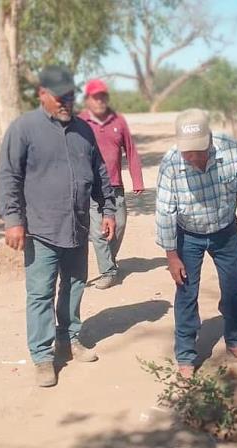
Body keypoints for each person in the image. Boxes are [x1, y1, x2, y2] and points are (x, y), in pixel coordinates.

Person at [0, 65, 117, 388]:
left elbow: (99, 172)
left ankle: (69, 337)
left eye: (70, 96)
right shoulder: (24, 129)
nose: (66, 102)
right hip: (41, 229)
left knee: (75, 285)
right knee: (40, 293)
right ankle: (42, 356)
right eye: (59, 97)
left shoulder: (83, 130)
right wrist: (12, 220)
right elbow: (8, 177)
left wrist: (108, 209)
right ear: (42, 95)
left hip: (76, 225)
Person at [155, 109, 237, 378]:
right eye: (186, 152)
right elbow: (165, 211)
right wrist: (171, 256)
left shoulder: (230, 151)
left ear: (210, 139)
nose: (191, 157)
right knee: (186, 292)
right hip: (187, 235)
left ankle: (236, 340)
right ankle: (186, 355)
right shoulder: (170, 164)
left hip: (225, 232)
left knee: (234, 287)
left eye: (197, 151)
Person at [78, 79, 144, 290]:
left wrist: (138, 180)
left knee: (120, 225)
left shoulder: (119, 121)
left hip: (115, 185)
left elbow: (131, 151)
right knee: (99, 231)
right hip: (92, 188)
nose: (100, 101)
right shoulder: (80, 122)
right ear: (88, 100)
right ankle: (108, 271)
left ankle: (109, 260)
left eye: (103, 96)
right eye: (95, 97)